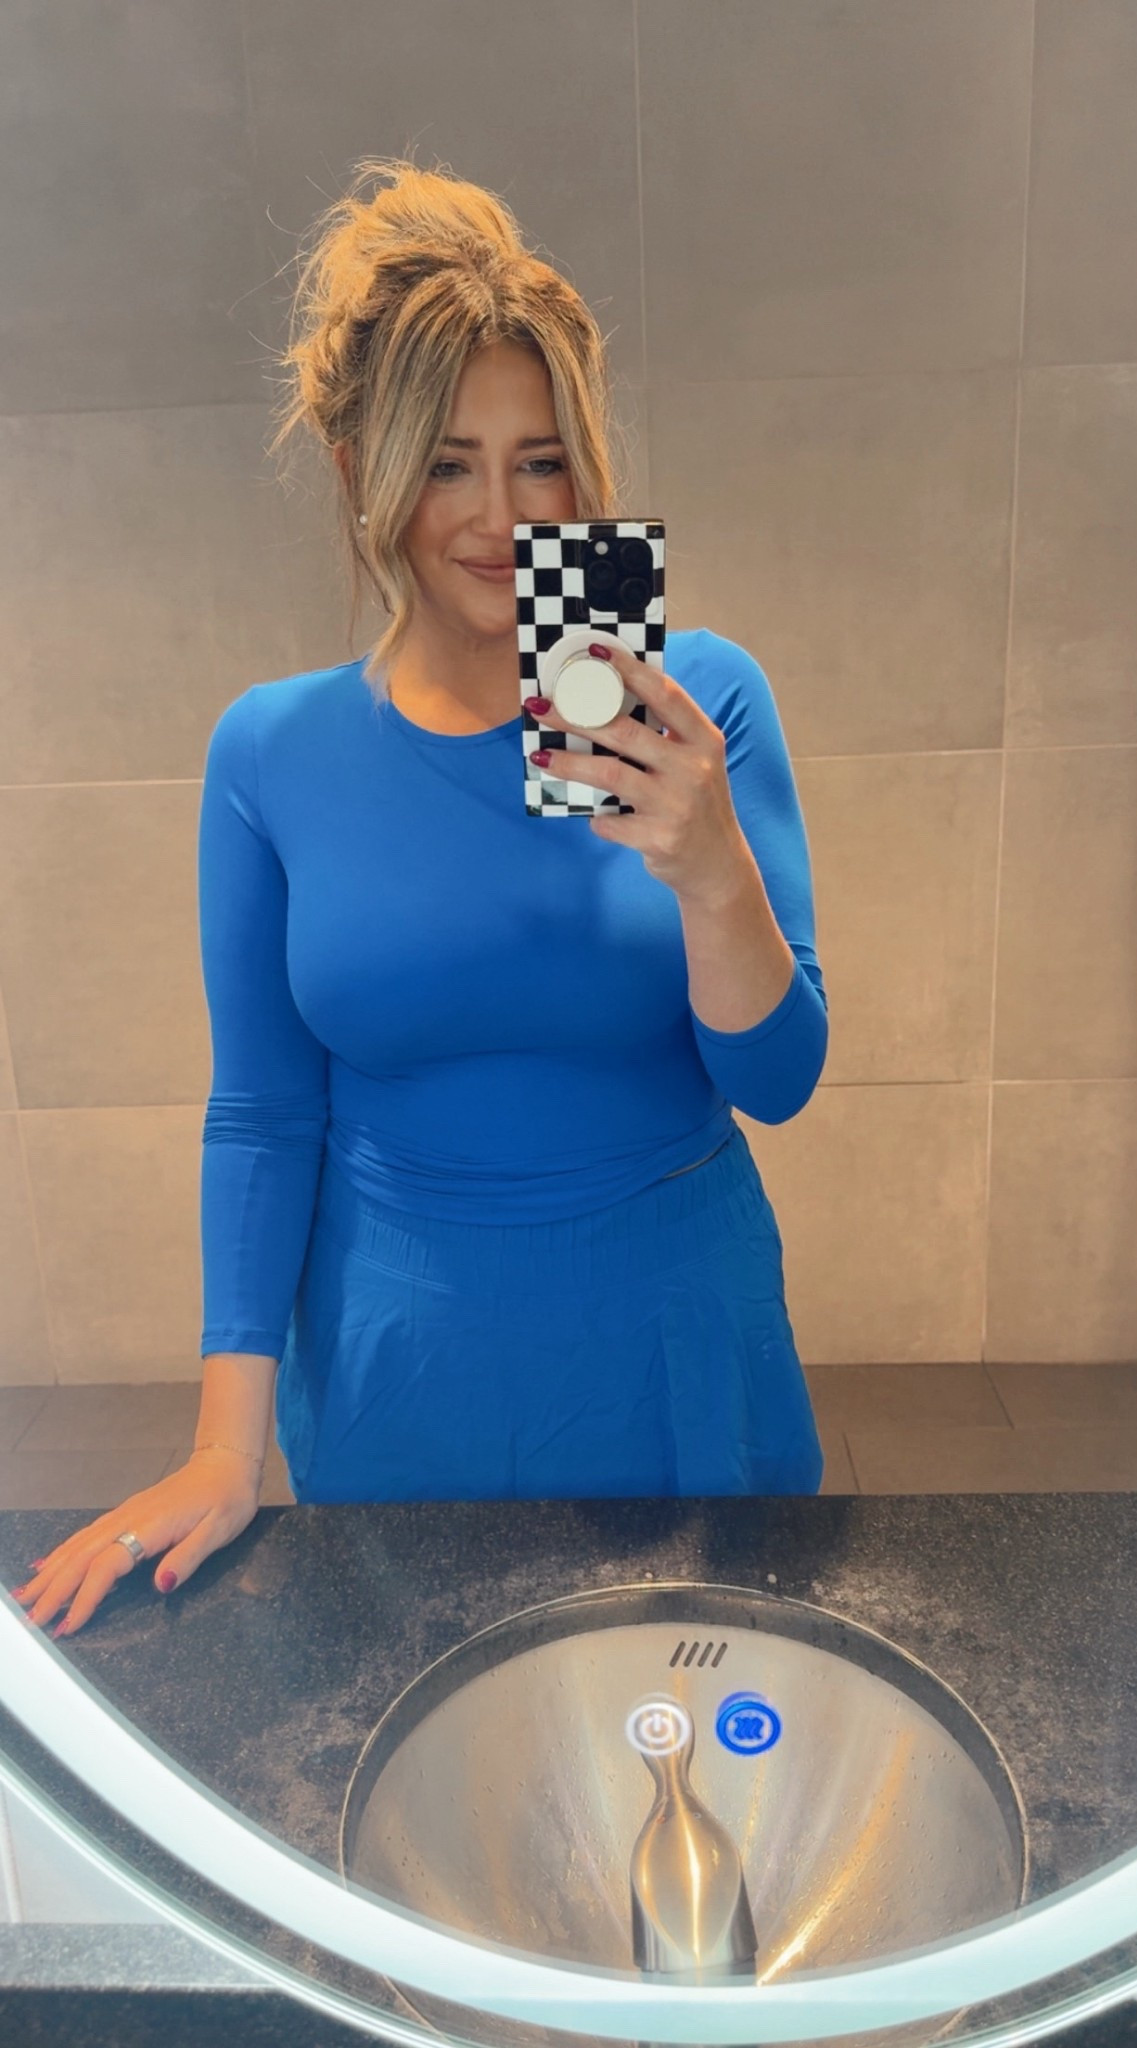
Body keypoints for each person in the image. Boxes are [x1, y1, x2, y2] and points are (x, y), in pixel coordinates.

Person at [12, 157, 828, 1643]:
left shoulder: (702, 701)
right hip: (398, 1355)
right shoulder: (274, 751)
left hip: (673, 1331)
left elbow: (778, 1081)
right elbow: (264, 1112)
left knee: (694, 1727)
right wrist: (223, 1448)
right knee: (412, 1745)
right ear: (363, 473)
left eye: (541, 461)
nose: (500, 515)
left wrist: (715, 873)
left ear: (586, 470)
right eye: (449, 463)